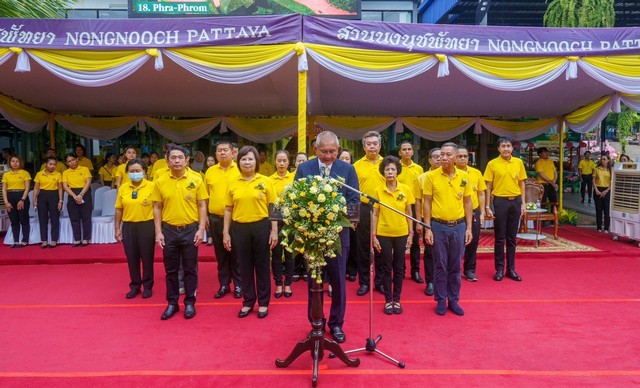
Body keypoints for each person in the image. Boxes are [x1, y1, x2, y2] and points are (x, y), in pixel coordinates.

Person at [295, 131, 359, 343]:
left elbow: (354, 202)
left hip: (338, 236)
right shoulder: (304, 168)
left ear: (338, 150)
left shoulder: (347, 169)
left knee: (339, 281)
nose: (329, 156)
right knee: (314, 282)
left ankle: (336, 324)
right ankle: (316, 322)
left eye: (332, 151)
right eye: (324, 151)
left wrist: (341, 218)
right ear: (315, 149)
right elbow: (295, 199)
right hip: (312, 237)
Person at [152, 145, 208, 320]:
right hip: (169, 230)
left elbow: (202, 205)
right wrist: (158, 232)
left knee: (191, 269)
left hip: (190, 229)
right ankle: (172, 303)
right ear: (167, 161)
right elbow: (157, 207)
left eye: (180, 158)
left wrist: (200, 229)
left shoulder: (196, 179)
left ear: (187, 160)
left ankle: (190, 302)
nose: (177, 161)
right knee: (171, 270)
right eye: (173, 158)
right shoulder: (160, 180)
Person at [223, 146, 278, 319]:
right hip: (239, 228)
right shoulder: (233, 182)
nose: (247, 162)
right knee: (244, 266)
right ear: (238, 161)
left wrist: (274, 231)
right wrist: (226, 232)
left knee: (262, 266)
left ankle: (263, 302)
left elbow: (274, 208)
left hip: (261, 226)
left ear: (256, 161)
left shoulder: (265, 181)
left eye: (251, 159)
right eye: (244, 159)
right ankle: (248, 301)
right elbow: (228, 209)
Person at [423, 142, 473, 316]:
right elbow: (427, 202)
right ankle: (440, 299)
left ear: (456, 157)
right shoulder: (431, 177)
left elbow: (468, 203)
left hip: (458, 226)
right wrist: (427, 228)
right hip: (438, 226)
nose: (443, 158)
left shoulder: (464, 177)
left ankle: (453, 299)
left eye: (447, 155)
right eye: (441, 154)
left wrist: (468, 228)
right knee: (440, 265)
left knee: (455, 266)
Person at [372, 156, 414, 315]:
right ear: (383, 172)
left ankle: (397, 299)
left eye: (393, 169)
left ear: (398, 172)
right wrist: (373, 235)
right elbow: (375, 214)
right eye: (387, 169)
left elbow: (409, 213)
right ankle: (388, 300)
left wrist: (411, 234)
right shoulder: (377, 190)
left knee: (399, 267)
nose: (390, 172)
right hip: (383, 233)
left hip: (402, 233)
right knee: (385, 267)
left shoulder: (405, 189)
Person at [484, 136, 527, 282]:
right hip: (500, 202)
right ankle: (500, 269)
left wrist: (523, 203)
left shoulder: (518, 162)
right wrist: (488, 205)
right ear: (498, 149)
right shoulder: (492, 164)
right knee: (499, 237)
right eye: (503, 146)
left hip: (515, 201)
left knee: (512, 238)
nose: (506, 149)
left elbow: (522, 184)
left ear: (512, 148)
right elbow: (488, 186)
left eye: (508, 146)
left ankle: (511, 269)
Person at [204, 141, 242, 299]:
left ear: (233, 152)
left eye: (225, 150)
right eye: (219, 150)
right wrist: (205, 216)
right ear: (215, 154)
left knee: (237, 254)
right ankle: (224, 284)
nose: (222, 153)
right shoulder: (210, 172)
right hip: (215, 219)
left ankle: (239, 285)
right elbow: (205, 197)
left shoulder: (240, 169)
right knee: (221, 254)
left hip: (236, 219)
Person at [115, 158, 156, 299]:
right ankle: (135, 286)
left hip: (147, 225)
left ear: (144, 171)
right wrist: (117, 228)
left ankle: (148, 286)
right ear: (127, 173)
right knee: (131, 258)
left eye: (138, 171)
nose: (135, 173)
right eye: (131, 171)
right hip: (128, 226)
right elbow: (119, 209)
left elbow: (158, 209)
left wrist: (158, 230)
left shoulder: (152, 186)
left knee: (147, 257)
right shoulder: (123, 188)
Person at [353, 130, 385, 296]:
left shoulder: (387, 163)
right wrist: (354, 215)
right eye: (369, 144)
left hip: (383, 210)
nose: (372, 147)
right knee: (363, 247)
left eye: (375, 144)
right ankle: (364, 282)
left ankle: (380, 281)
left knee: (381, 246)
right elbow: (352, 193)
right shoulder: (356, 166)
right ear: (364, 146)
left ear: (380, 145)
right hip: (364, 210)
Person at [456, 147, 486, 282]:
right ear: (455, 158)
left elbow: (481, 193)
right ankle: (454, 270)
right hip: (456, 213)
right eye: (460, 156)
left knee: (473, 241)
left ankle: (469, 269)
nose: (463, 159)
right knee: (456, 243)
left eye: (465, 156)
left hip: (473, 211)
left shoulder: (476, 173)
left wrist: (483, 212)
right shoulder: (451, 173)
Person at [396, 141, 424, 284]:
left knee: (415, 242)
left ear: (413, 152)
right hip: (398, 207)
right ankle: (400, 271)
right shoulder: (395, 167)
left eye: (409, 149)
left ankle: (415, 271)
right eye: (404, 149)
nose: (406, 151)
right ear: (399, 152)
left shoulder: (418, 169)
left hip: (413, 207)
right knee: (400, 241)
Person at [414, 148, 441, 296]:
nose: (438, 159)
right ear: (429, 160)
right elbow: (418, 202)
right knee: (430, 251)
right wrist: (419, 221)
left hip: (447, 220)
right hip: (429, 220)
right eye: (435, 157)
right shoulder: (422, 178)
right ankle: (430, 281)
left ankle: (443, 280)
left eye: (440, 156)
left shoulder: (452, 176)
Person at [269, 150, 295, 299]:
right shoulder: (269, 180)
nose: (282, 163)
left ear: (288, 162)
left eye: (284, 160)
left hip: (290, 221)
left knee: (290, 253)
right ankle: (278, 283)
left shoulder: (293, 179)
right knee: (277, 254)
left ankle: (288, 283)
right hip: (274, 220)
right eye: (279, 160)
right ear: (275, 162)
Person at [62, 153, 92, 247]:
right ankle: (77, 239)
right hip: (72, 194)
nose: (72, 162)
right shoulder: (65, 172)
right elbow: (65, 186)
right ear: (67, 163)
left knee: (86, 217)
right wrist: (75, 196)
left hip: (84, 192)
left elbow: (88, 182)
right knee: (74, 218)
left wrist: (81, 195)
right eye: (69, 161)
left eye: (73, 160)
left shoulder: (84, 169)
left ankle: (86, 239)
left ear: (76, 160)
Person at [33, 157, 63, 249]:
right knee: (42, 219)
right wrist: (34, 199)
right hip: (42, 195)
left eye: (54, 164)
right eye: (50, 164)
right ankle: (44, 240)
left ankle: (54, 240)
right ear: (46, 164)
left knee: (54, 218)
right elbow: (36, 188)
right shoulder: (39, 174)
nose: (52, 166)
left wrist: (60, 200)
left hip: (54, 195)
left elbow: (60, 188)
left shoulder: (58, 174)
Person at [2, 155, 31, 247]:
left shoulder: (25, 173)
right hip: (10, 196)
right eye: (13, 161)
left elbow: (27, 188)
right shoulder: (6, 174)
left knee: (24, 219)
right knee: (14, 220)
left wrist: (22, 199)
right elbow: (4, 189)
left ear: (20, 163)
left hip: (22, 195)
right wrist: (6, 202)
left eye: (17, 161)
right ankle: (16, 241)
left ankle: (24, 240)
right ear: (9, 163)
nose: (15, 163)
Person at [338, 149, 357, 282]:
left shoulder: (351, 171)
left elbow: (354, 196)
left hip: (347, 215)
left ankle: (351, 271)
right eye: (342, 158)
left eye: (347, 158)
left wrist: (353, 217)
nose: (344, 161)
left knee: (350, 245)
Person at [291, 151, 309, 282]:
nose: (301, 163)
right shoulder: (289, 176)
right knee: (296, 241)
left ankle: (307, 269)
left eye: (304, 161)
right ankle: (296, 269)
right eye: (299, 161)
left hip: (308, 214)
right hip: (294, 215)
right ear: (294, 163)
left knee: (308, 242)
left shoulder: (311, 176)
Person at [593, 154, 612, 233]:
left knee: (606, 210)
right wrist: (596, 190)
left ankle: (606, 227)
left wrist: (607, 190)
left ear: (608, 160)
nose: (602, 161)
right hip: (598, 189)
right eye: (602, 159)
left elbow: (612, 182)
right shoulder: (597, 169)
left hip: (606, 190)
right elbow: (593, 180)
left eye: (604, 159)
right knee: (599, 209)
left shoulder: (610, 170)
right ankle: (599, 227)